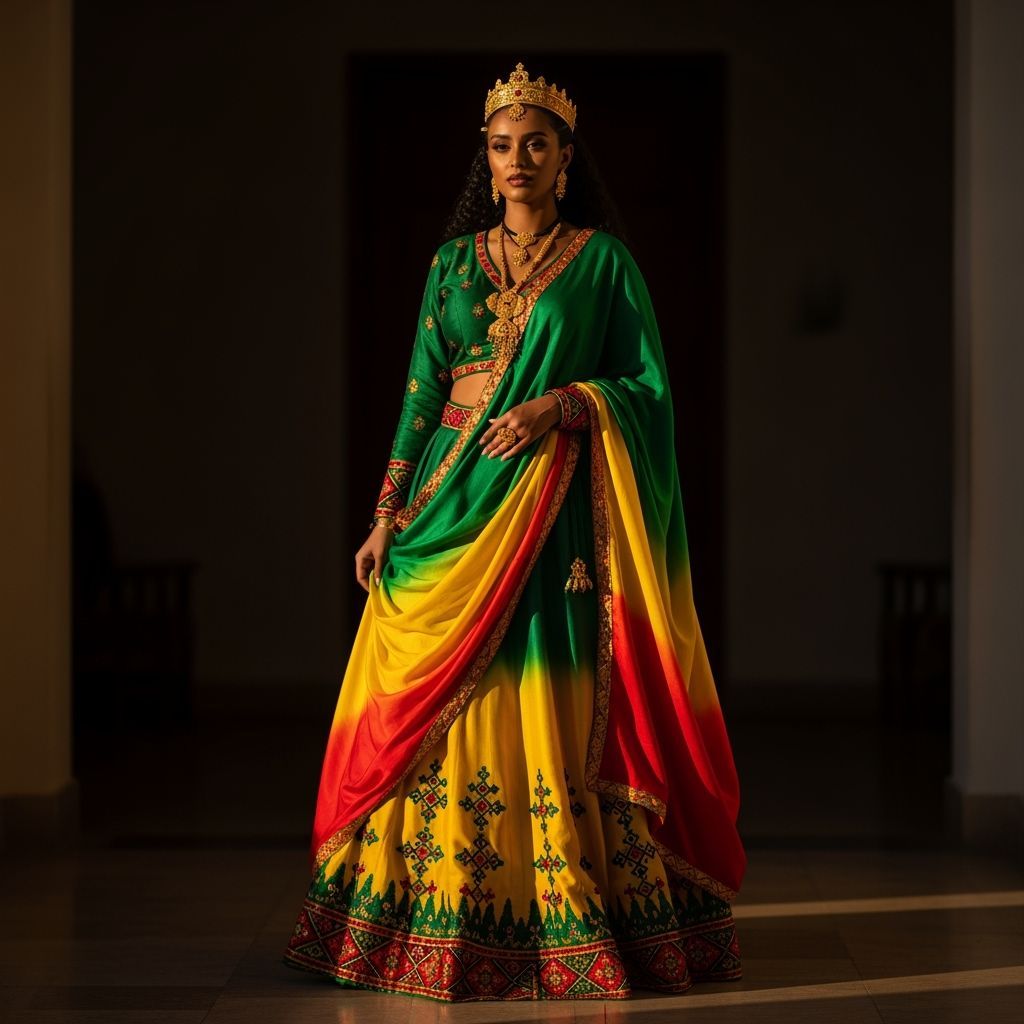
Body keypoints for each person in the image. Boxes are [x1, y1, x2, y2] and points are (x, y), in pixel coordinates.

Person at [283, 61, 746, 1001]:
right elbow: (418, 400)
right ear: (485, 163)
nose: (519, 159)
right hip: (450, 507)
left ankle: (564, 918)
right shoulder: (451, 266)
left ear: (566, 160)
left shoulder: (603, 264)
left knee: (541, 689)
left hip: (554, 511)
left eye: (537, 143)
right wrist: (384, 518)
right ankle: (423, 913)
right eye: (503, 145)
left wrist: (562, 405)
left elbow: (650, 393)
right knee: (430, 693)